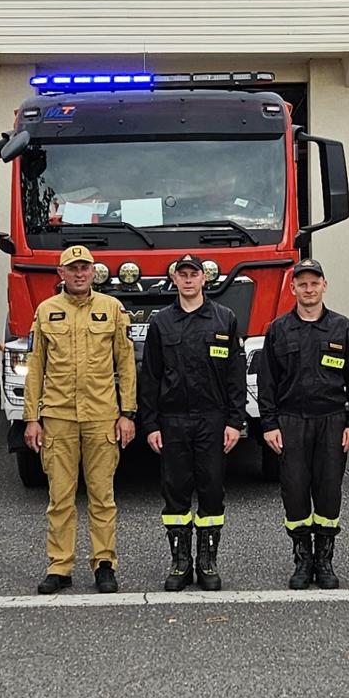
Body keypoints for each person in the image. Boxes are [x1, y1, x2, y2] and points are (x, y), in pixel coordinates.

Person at [23, 245, 138, 594]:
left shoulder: (112, 309)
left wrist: (127, 413)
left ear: (93, 272)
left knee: (103, 495)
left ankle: (104, 563)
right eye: (71, 268)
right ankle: (60, 565)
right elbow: (35, 369)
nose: (78, 274)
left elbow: (126, 364)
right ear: (60, 274)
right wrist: (32, 418)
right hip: (57, 417)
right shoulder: (46, 312)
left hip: (102, 417)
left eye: (84, 268)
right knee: (60, 496)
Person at [254, 258, 349, 590]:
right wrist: (269, 424)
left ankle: (325, 561)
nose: (309, 288)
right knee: (296, 493)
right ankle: (303, 560)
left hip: (332, 421)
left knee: (329, 492)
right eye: (302, 283)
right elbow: (267, 382)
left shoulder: (341, 328)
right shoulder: (278, 329)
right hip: (291, 423)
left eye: (314, 282)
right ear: (293, 288)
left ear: (324, 286)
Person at [141, 253, 247, 592]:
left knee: (212, 490)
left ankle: (207, 562)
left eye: (194, 274)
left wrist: (235, 421)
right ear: (175, 279)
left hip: (212, 420)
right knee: (175, 492)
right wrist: (151, 423)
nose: (188, 280)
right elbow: (150, 376)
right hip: (173, 421)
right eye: (182, 274)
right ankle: (180, 563)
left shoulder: (224, 319)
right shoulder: (161, 322)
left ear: (204, 279)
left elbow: (235, 375)